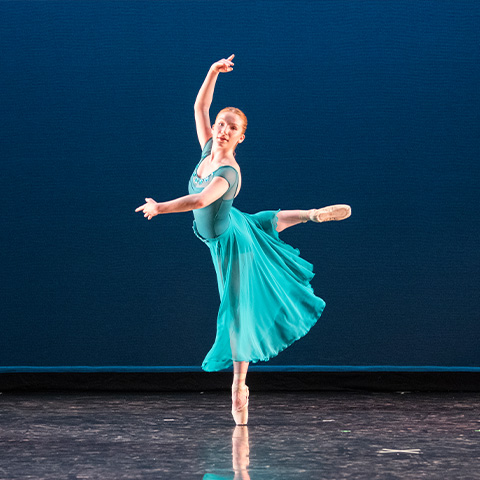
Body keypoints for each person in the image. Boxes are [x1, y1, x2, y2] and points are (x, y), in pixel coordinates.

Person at [135, 55, 351, 425]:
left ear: (240, 137)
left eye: (230, 128)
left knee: (237, 309)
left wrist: (160, 207)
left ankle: (239, 387)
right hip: (231, 224)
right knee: (260, 222)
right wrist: (212, 72)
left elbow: (201, 201)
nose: (221, 130)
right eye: (220, 124)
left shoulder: (228, 171)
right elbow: (199, 105)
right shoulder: (207, 149)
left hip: (231, 245)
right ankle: (311, 214)